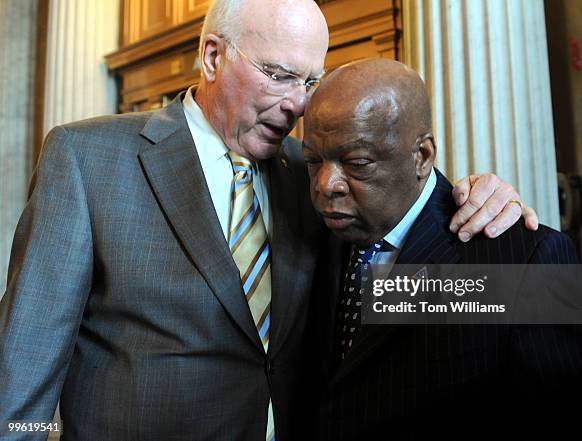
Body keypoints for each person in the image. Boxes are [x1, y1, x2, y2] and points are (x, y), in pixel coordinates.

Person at [0, 1, 538, 440]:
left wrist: (469, 203)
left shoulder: (314, 179)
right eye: (280, 76)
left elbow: (398, 279)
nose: (297, 105)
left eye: (310, 81)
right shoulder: (88, 157)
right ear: (212, 56)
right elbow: (25, 366)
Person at [304, 58, 582, 440]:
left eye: (357, 162)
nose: (325, 184)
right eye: (313, 160)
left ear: (423, 156)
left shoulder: (522, 262)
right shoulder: (308, 236)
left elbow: (573, 422)